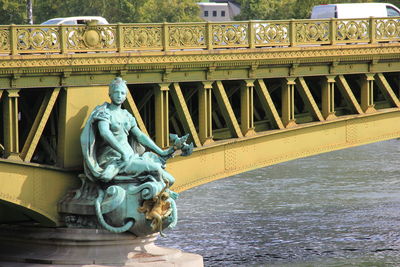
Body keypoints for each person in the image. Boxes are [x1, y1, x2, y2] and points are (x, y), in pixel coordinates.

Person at [81, 77, 175, 185]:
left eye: (122, 93)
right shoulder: (104, 112)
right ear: (110, 94)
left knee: (170, 180)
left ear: (125, 96)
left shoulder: (126, 115)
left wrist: (161, 152)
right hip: (113, 158)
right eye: (116, 92)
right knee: (155, 169)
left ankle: (156, 200)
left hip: (130, 157)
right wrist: (122, 151)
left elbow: (140, 136)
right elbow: (105, 132)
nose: (119, 95)